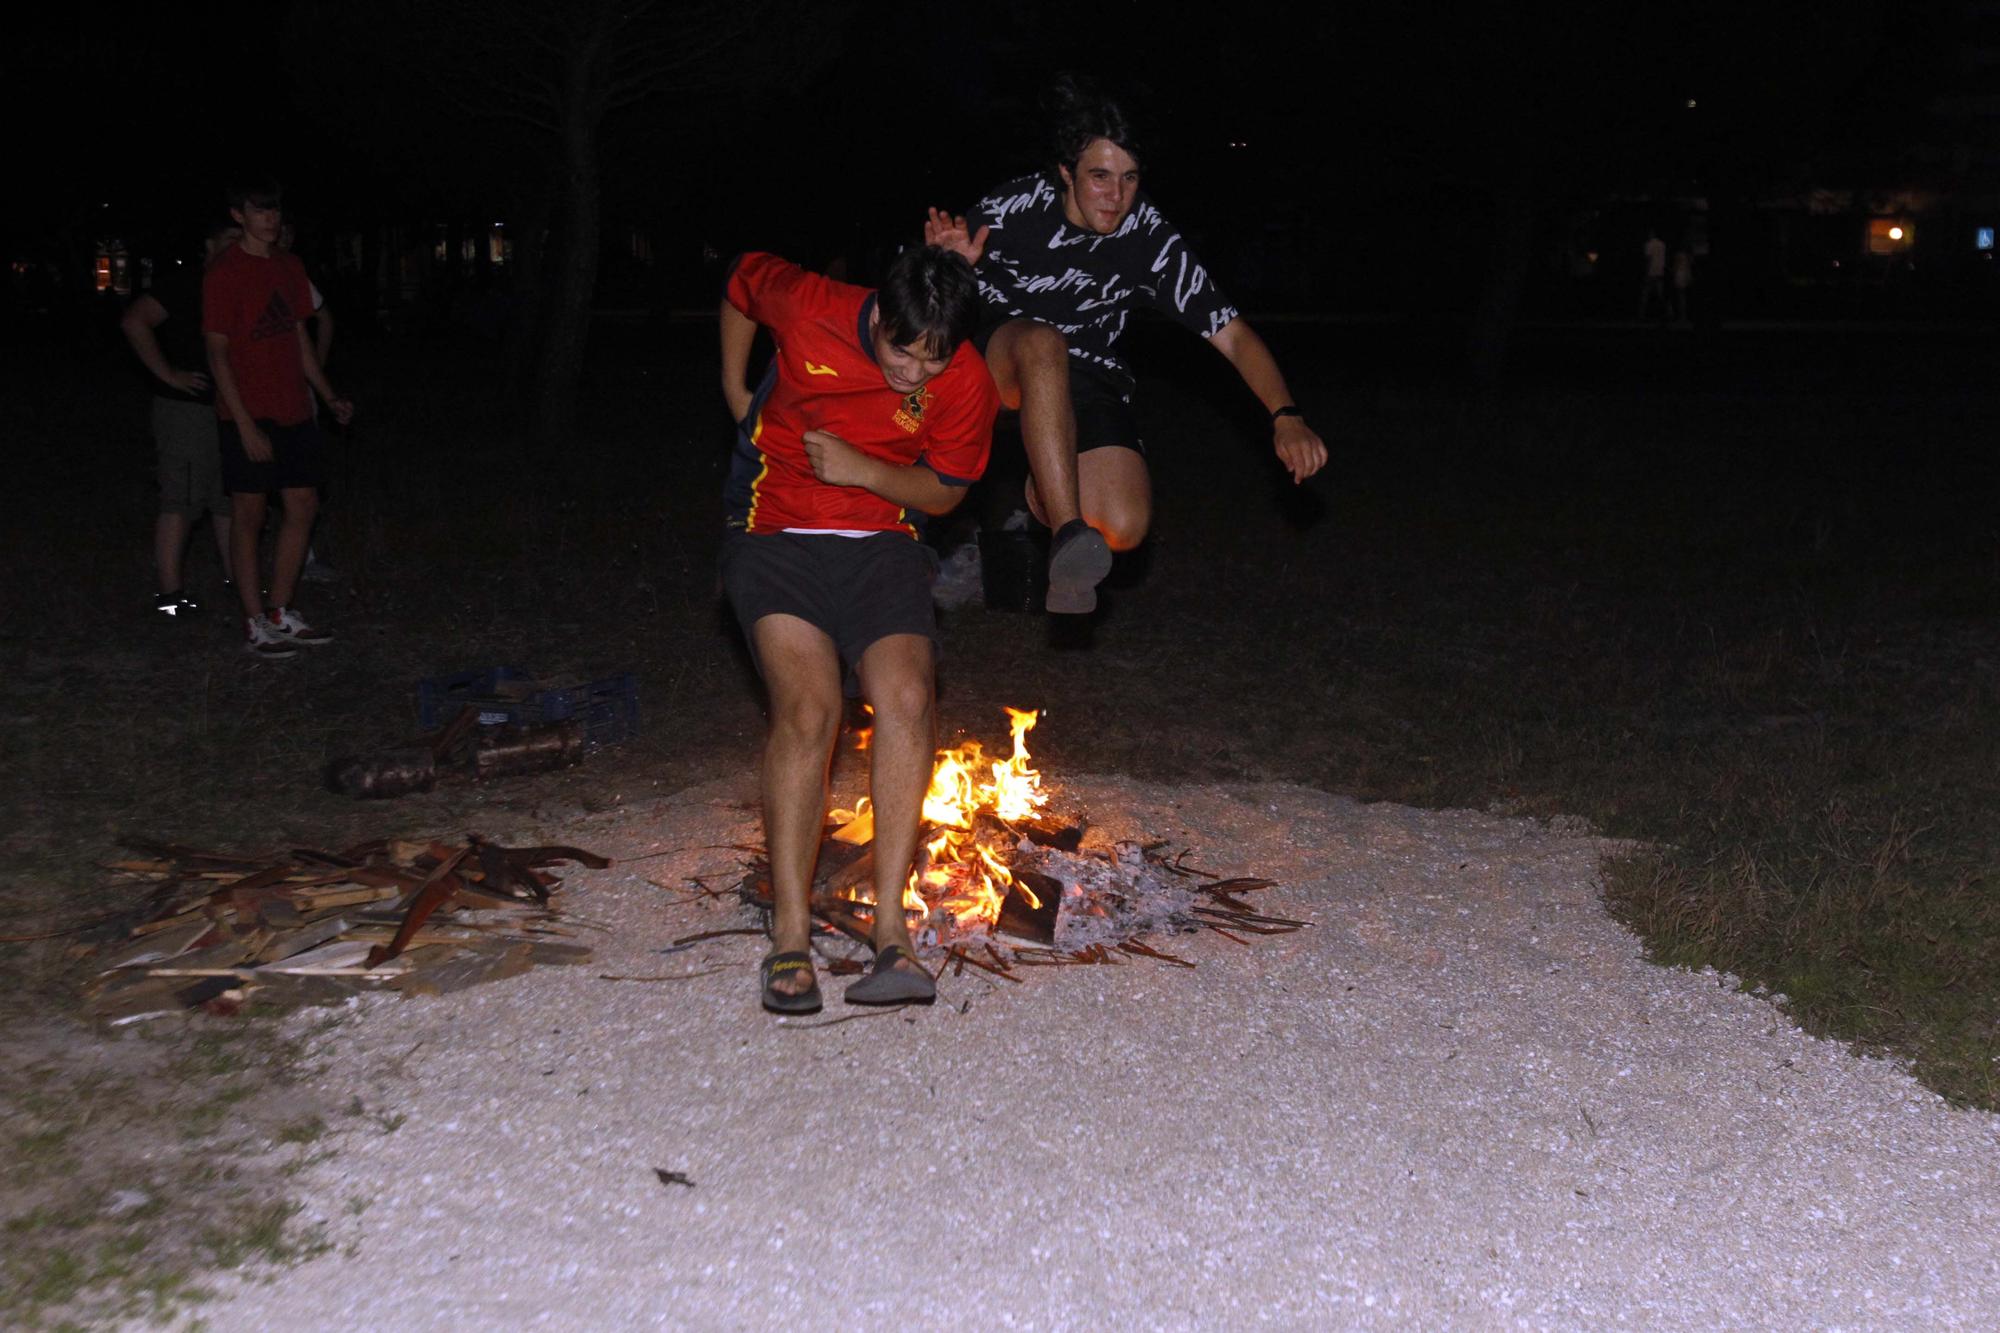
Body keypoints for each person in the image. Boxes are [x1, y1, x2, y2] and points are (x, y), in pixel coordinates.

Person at [924, 75, 1328, 614]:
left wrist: (1286, 414)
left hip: (1085, 376)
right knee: (1045, 344)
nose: (1116, 197)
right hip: (999, 362)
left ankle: (1042, 499)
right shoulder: (1014, 208)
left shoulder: (1149, 238)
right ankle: (1068, 531)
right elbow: (922, 310)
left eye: (1130, 178)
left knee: (1123, 526)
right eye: (1099, 177)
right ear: (1066, 172)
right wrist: (948, 270)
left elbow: (1233, 335)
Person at [718, 245, 997, 1013]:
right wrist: (734, 382)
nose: (911, 374)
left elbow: (943, 494)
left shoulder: (966, 378)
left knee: (906, 697)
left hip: (883, 543)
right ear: (879, 314)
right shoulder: (811, 306)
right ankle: (790, 934)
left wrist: (863, 471)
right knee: (810, 711)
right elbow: (743, 280)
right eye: (899, 352)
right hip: (775, 532)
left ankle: (892, 935)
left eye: (930, 362)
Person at [202, 178, 353, 658]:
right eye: (259, 211)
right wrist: (243, 423)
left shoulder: (290, 267)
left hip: (293, 409)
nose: (271, 219)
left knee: (303, 504)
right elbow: (217, 353)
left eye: (275, 211)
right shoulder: (225, 272)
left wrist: (327, 396)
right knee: (249, 515)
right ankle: (252, 621)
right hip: (247, 412)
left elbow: (299, 339)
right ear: (238, 216)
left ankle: (280, 610)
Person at [121, 219, 238, 617]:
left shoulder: (239, 284)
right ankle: (170, 597)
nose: (237, 247)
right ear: (209, 244)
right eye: (230, 240)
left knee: (228, 499)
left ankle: (236, 580)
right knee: (181, 500)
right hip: (186, 410)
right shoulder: (188, 282)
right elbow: (135, 320)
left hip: (230, 407)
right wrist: (169, 374)